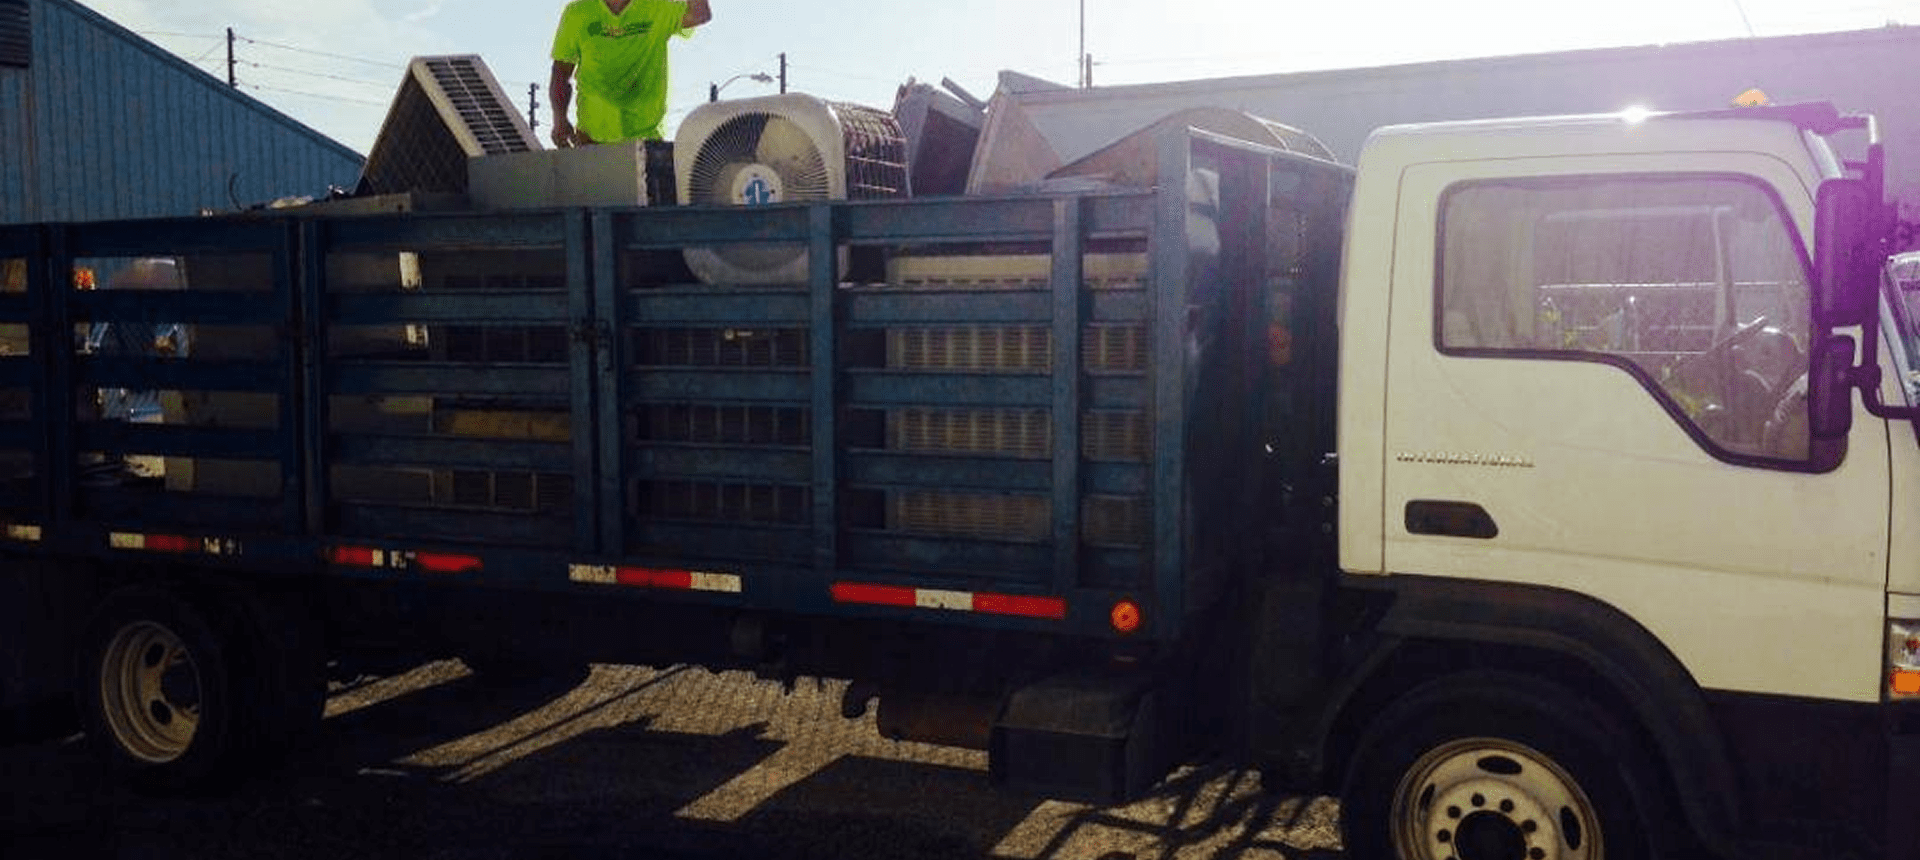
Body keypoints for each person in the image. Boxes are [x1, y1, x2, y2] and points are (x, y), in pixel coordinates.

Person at [549, 0, 713, 148]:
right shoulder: (577, 13)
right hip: (591, 141)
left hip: (647, 141)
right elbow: (561, 72)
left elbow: (700, 14)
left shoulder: (658, 6)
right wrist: (559, 119)